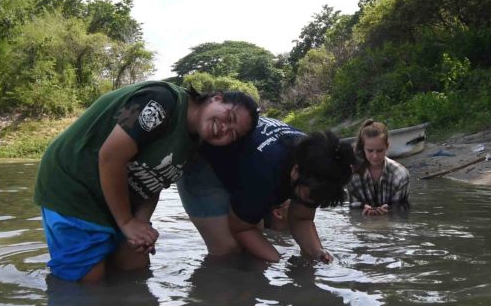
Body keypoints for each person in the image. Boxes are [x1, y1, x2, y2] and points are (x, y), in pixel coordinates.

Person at [34, 81, 259, 283]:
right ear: (216, 98)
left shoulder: (195, 143)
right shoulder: (160, 100)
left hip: (118, 198)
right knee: (88, 284)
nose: (224, 129)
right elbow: (111, 156)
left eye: (232, 134)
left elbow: (154, 180)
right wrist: (126, 222)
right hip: (73, 184)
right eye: (229, 117)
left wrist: (141, 223)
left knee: (135, 269)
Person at [177, 116, 355, 264]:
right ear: (296, 171)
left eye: (318, 200)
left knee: (255, 244)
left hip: (246, 162)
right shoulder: (265, 174)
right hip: (202, 164)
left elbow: (302, 218)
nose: (311, 203)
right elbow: (241, 228)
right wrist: (277, 262)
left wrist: (317, 252)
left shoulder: (320, 167)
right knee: (229, 251)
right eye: (309, 197)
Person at [347, 119, 411, 215]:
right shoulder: (352, 175)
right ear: (363, 148)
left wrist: (389, 213)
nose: (375, 156)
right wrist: (362, 210)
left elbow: (401, 212)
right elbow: (353, 210)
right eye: (370, 151)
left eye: (380, 150)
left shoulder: (401, 175)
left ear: (387, 146)